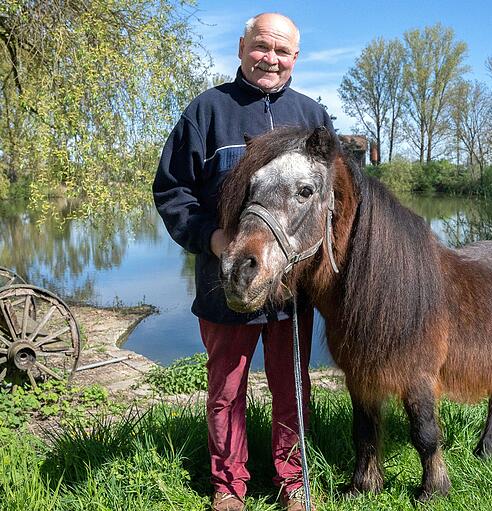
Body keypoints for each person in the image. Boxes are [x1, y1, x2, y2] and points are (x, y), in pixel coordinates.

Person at [153, 13, 333, 511]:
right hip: (225, 283)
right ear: (241, 47)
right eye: (261, 46)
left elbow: (330, 203)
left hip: (291, 292)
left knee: (292, 389)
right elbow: (171, 192)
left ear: (296, 58)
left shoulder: (313, 118)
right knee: (225, 392)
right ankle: (228, 486)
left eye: (282, 51)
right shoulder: (207, 112)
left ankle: (292, 482)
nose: (270, 59)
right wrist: (211, 240)